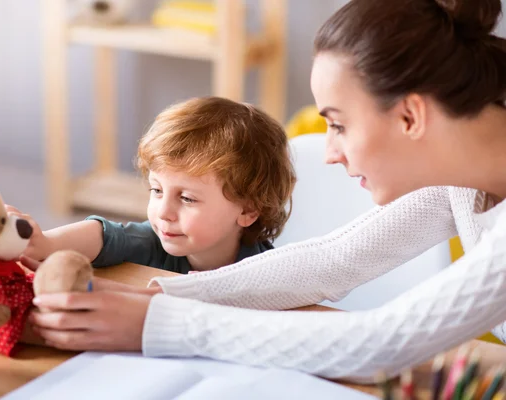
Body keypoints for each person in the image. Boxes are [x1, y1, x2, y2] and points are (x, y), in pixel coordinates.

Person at [27, 0, 506, 383]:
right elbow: (333, 261)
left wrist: (156, 323)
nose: (329, 152)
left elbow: (378, 345)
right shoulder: (463, 180)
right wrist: (166, 294)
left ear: (410, 117)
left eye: (338, 124)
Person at [9, 96, 295, 276]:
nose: (164, 213)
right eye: (157, 191)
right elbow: (104, 235)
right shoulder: (158, 240)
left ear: (248, 210)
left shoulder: (267, 273)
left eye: (187, 198)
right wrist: (46, 243)